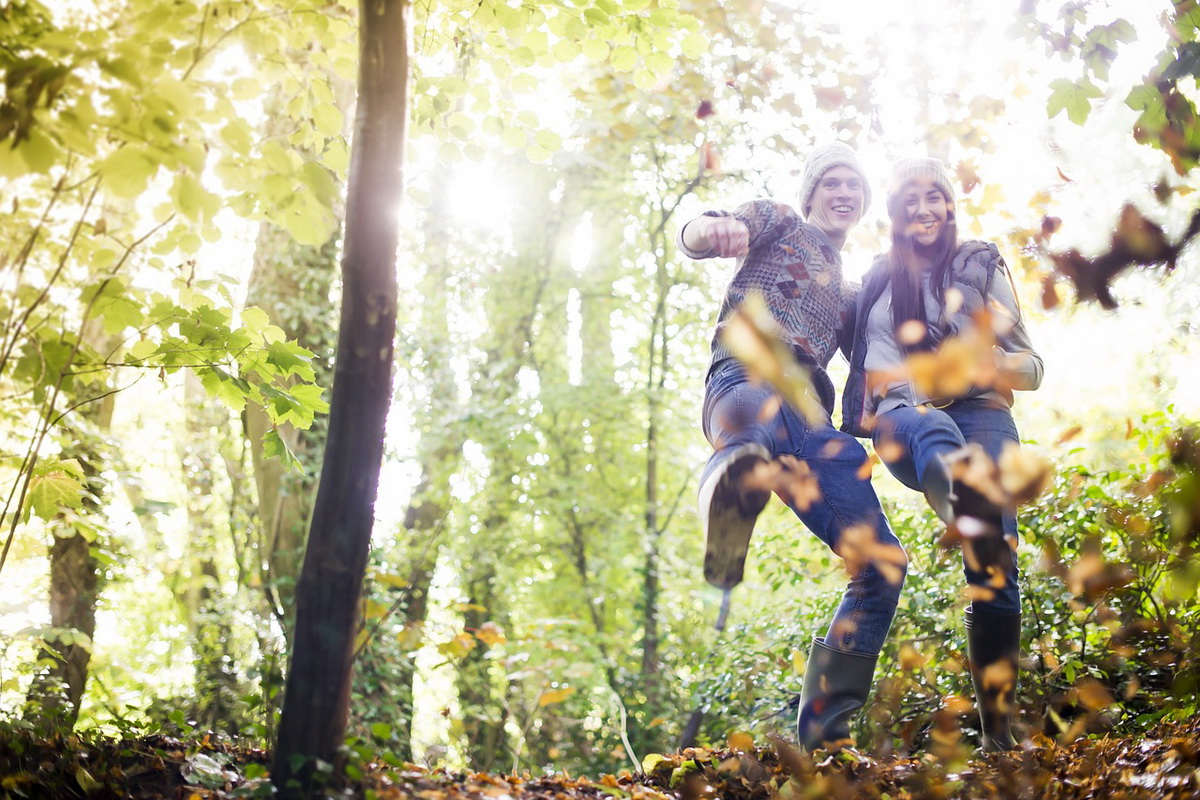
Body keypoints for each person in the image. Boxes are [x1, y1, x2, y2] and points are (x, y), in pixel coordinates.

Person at [679, 143, 907, 752]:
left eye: (853, 187)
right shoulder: (779, 221)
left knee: (882, 566)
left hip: (812, 422)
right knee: (745, 445)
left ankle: (824, 741)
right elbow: (703, 232)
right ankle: (728, 507)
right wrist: (712, 229)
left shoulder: (855, 294)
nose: (844, 193)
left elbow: (898, 333)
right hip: (748, 376)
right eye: (832, 183)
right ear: (811, 194)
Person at [841, 157, 1044, 752]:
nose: (923, 210)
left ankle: (997, 733)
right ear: (895, 213)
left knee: (994, 571)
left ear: (949, 205)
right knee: (925, 423)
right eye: (910, 201)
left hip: (982, 413)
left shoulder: (979, 263)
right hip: (906, 419)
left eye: (934, 198)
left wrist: (982, 365)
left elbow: (1032, 367)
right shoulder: (878, 280)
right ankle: (961, 492)